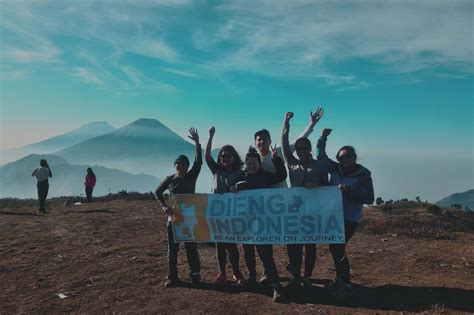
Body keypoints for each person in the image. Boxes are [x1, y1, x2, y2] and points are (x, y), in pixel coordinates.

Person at [316, 128, 374, 299]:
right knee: (335, 248)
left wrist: (348, 191)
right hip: (334, 216)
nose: (345, 160)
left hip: (350, 218)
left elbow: (369, 198)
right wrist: (322, 138)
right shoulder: (336, 169)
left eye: (348, 157)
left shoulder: (363, 175)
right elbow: (321, 157)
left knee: (336, 247)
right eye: (341, 158)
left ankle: (345, 282)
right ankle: (341, 280)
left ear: (354, 157)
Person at [229, 147, 287, 303]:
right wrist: (232, 188)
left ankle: (275, 285)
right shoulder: (241, 177)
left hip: (263, 224)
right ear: (246, 164)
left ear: (259, 164)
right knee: (248, 252)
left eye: (255, 163)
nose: (252, 166)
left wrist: (276, 159)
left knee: (266, 254)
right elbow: (230, 188)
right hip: (246, 223)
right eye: (249, 163)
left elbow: (282, 175)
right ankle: (252, 278)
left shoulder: (266, 177)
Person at [281, 111, 328, 290]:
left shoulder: (319, 165)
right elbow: (285, 144)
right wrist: (285, 123)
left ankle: (307, 277)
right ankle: (295, 275)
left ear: (309, 149)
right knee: (293, 246)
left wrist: (316, 184)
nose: (300, 151)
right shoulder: (291, 162)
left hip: (312, 212)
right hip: (294, 212)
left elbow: (327, 187)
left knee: (310, 247)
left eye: (304, 148)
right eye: (298, 148)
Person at [154, 128, 203, 288]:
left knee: (190, 247)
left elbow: (199, 162)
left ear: (187, 167)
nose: (180, 167)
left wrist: (197, 143)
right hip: (173, 219)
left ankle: (195, 274)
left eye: (183, 165)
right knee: (173, 249)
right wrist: (163, 207)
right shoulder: (170, 179)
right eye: (178, 164)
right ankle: (172, 276)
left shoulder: (191, 176)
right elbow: (157, 192)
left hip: (189, 219)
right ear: (175, 166)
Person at [205, 126, 246, 285]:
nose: (225, 158)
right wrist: (210, 137)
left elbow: (247, 185)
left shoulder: (240, 173)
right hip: (217, 213)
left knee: (231, 245)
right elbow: (207, 156)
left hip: (233, 214)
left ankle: (236, 272)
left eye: (228, 156)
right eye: (222, 156)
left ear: (234, 157)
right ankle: (222, 273)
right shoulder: (216, 170)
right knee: (220, 244)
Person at [254, 107, 325, 188]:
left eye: (265, 139)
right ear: (255, 143)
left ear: (270, 142)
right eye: (259, 140)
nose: (262, 142)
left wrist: (311, 124)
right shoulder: (253, 160)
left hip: (283, 196)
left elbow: (297, 142)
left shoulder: (278, 153)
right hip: (262, 198)